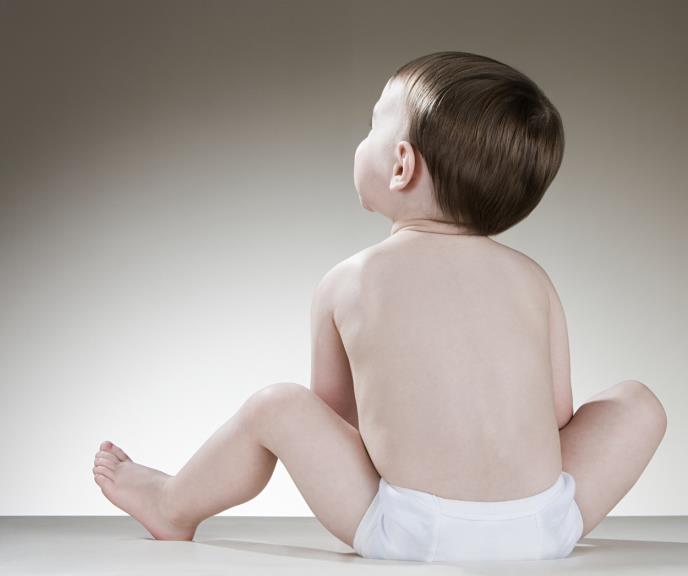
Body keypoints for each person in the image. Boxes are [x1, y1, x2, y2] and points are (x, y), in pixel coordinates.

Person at [92, 51, 667, 563]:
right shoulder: (534, 280)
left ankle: (172, 504)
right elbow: (559, 421)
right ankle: (512, 523)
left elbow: (338, 421)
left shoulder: (349, 280)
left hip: (412, 530)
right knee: (638, 403)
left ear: (401, 165)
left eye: (372, 126)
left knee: (277, 406)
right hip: (543, 525)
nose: (362, 139)